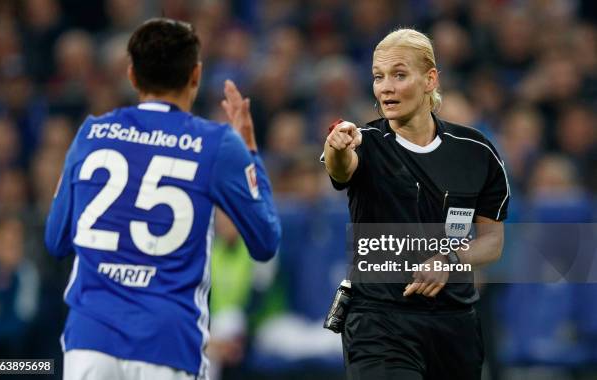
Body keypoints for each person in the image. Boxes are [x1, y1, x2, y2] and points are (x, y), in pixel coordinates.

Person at [44, 18, 281, 380]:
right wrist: (250, 151)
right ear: (196, 75)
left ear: (131, 75)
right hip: (167, 343)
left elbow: (56, 240)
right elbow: (265, 241)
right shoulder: (216, 143)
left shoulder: (91, 133)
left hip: (89, 340)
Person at [323, 29, 509, 380]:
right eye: (378, 77)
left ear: (430, 79)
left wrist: (450, 260)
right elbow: (341, 169)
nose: (386, 87)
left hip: (454, 327)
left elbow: (492, 241)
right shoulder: (365, 143)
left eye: (399, 74)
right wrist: (335, 147)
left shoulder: (476, 152)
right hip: (378, 323)